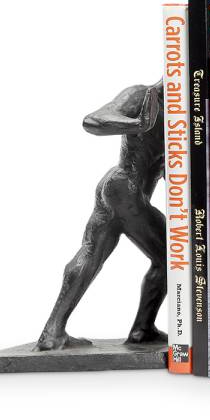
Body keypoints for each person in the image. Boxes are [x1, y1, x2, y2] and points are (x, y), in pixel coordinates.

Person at [36, 81, 166, 350]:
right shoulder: (143, 95)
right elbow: (94, 120)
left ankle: (52, 333)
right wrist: (138, 124)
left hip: (116, 188)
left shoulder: (185, 112)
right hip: (127, 189)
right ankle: (142, 329)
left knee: (90, 254)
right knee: (171, 258)